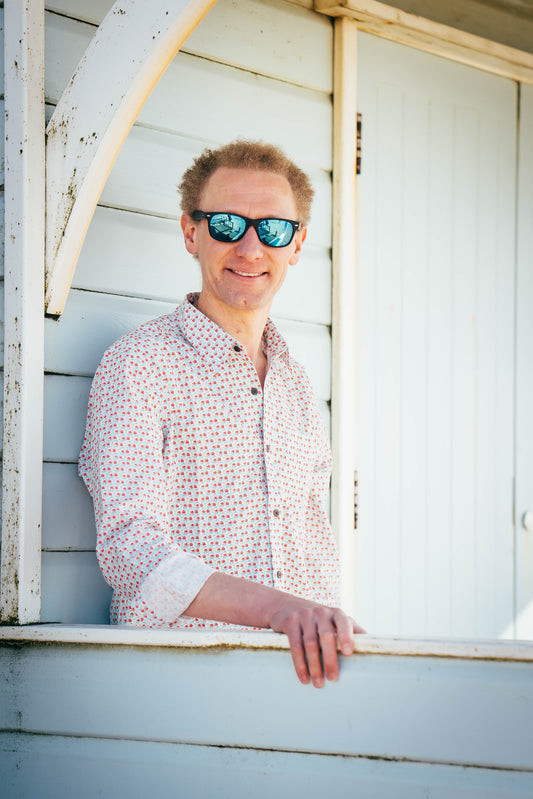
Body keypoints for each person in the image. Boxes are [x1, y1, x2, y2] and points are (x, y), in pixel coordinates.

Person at [79, 140, 364, 689]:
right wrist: (279, 610)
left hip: (297, 688)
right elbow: (131, 551)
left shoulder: (298, 385)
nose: (252, 248)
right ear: (191, 232)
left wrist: (335, 634)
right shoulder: (140, 365)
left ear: (298, 243)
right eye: (228, 224)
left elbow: (315, 548)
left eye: (274, 229)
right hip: (173, 688)